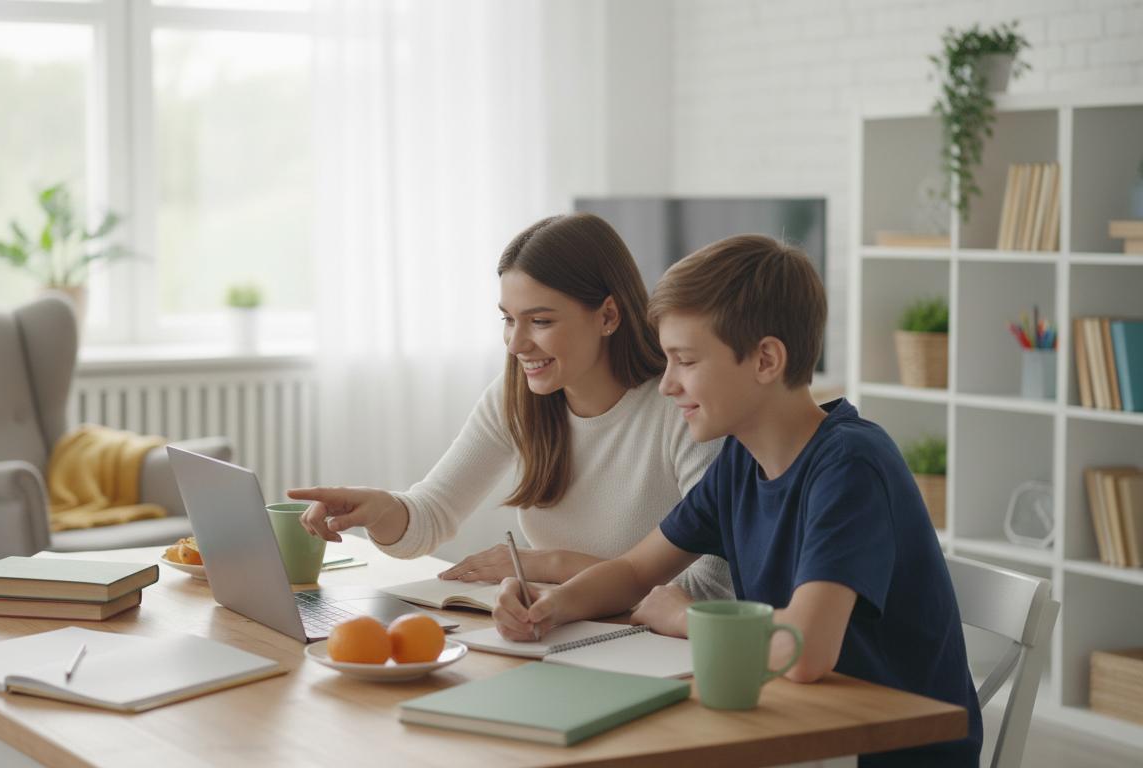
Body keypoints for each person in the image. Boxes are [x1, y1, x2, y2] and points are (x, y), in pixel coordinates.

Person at [492, 235, 981, 766]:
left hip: (880, 750)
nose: (667, 385)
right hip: (797, 729)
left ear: (766, 359)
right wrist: (551, 605)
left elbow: (804, 651)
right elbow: (636, 571)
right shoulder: (740, 462)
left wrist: (687, 618)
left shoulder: (850, 467)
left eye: (685, 361)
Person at [289, 213, 732, 599]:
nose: (516, 344)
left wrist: (550, 566)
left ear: (608, 316)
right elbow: (431, 515)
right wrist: (379, 509)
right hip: (556, 626)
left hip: (652, 646)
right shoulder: (515, 398)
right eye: (507, 319)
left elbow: (712, 588)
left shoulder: (684, 407)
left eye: (540, 321)